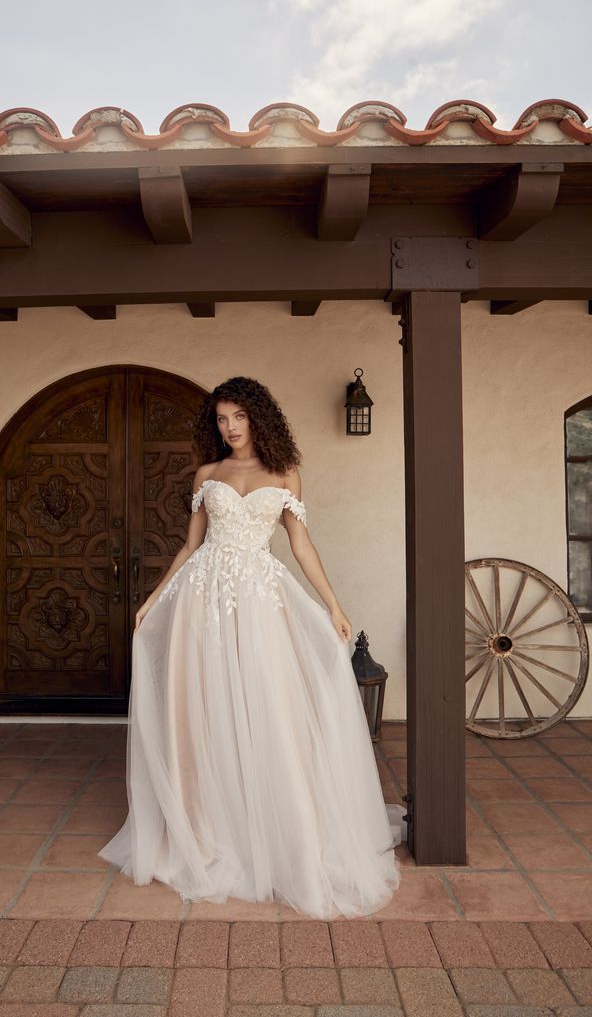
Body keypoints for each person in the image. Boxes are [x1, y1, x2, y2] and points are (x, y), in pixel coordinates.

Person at [98, 376, 404, 918]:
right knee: (205, 709)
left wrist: (332, 604)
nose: (230, 427)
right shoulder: (208, 473)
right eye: (221, 419)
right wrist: (155, 597)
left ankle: (276, 831)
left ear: (259, 418)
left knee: (269, 709)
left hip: (261, 601)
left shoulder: (285, 473)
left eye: (239, 417)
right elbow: (191, 545)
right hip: (203, 601)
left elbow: (300, 543)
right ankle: (211, 828)